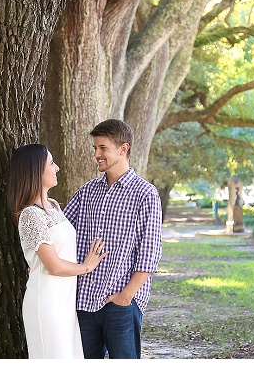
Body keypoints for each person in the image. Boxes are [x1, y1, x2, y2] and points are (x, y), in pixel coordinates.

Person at [63, 119, 163, 359]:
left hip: (121, 303)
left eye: (103, 148)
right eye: (95, 148)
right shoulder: (87, 191)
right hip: (84, 302)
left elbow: (149, 253)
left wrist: (126, 296)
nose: (97, 154)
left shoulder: (145, 193)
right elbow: (61, 231)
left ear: (123, 149)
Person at [7, 144, 108, 358]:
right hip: (48, 305)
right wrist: (87, 267)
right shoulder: (30, 215)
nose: (58, 168)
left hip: (65, 302)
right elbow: (53, 265)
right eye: (51, 163)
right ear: (35, 171)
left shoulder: (53, 206)